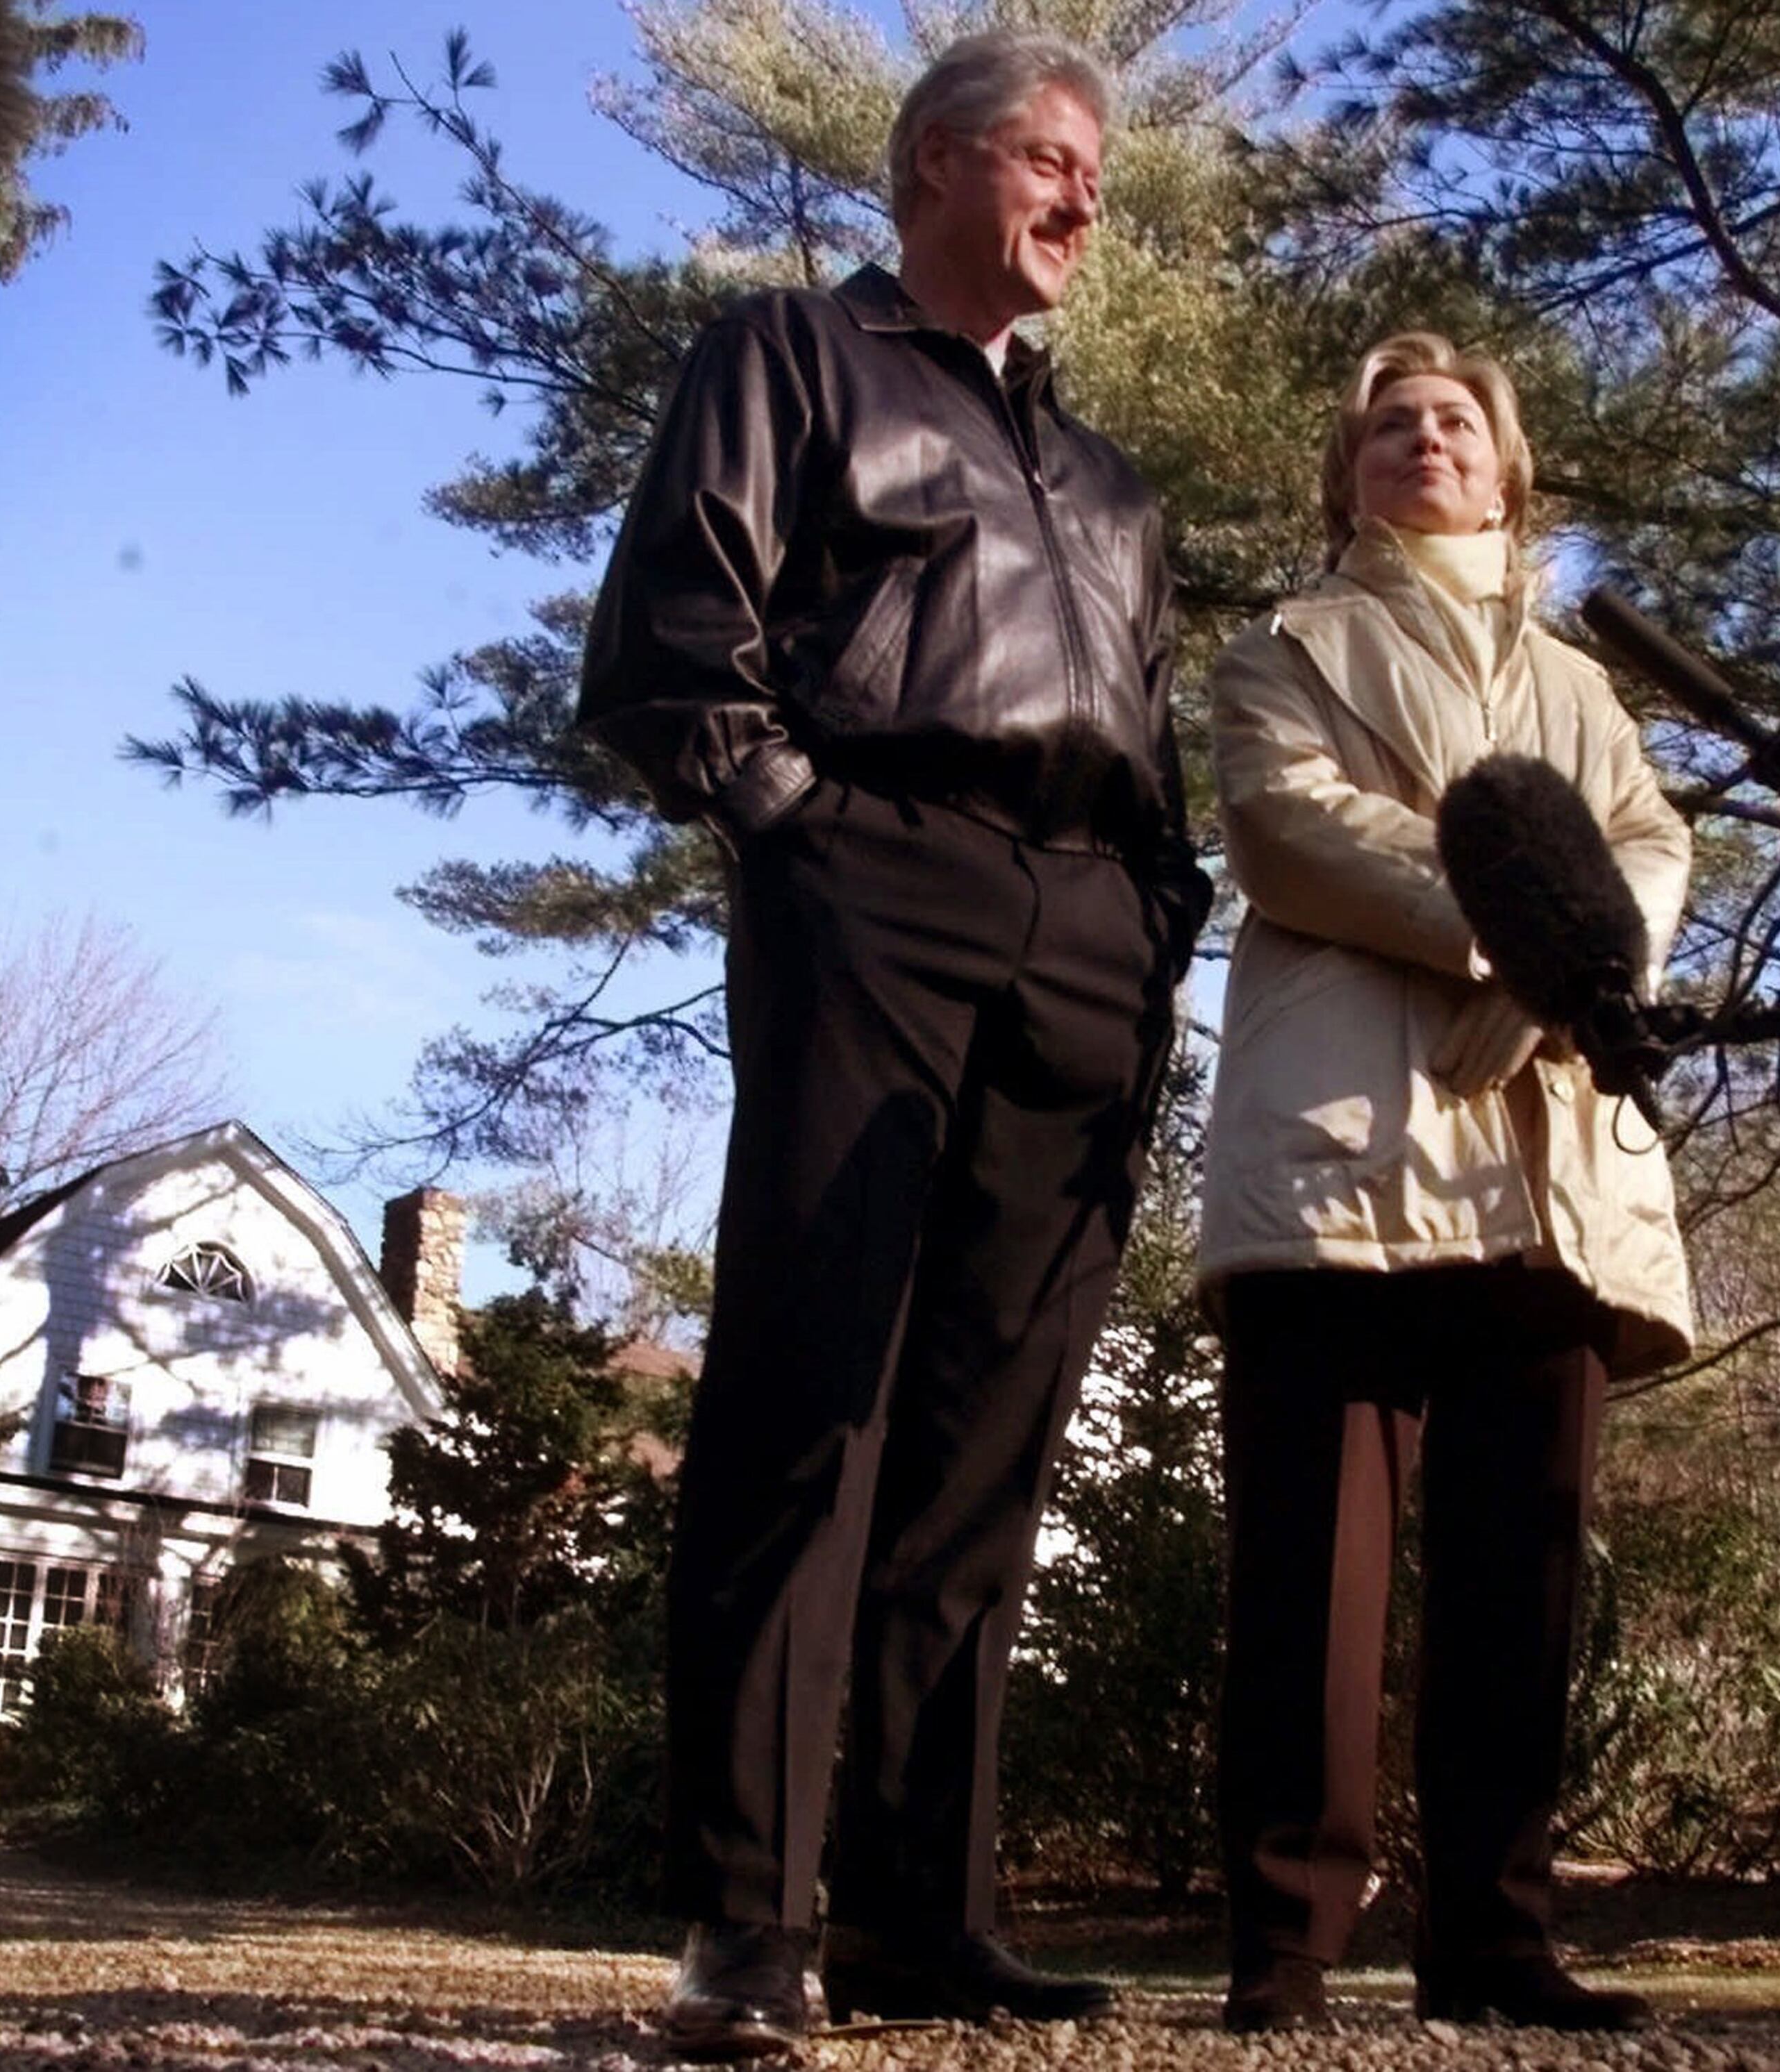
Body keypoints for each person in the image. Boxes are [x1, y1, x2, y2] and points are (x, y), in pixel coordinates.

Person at [576, 28, 1210, 2063]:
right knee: (805, 1396)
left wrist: (1154, 932)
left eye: (1096, 173)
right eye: (1049, 157)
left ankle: (930, 1923)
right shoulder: (792, 357)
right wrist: (807, 839)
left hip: (1089, 941)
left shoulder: (1112, 489)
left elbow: (1164, 755)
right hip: (878, 880)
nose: (1085, 202)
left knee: (989, 1456)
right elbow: (674, 649)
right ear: (934, 164)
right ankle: (745, 1934)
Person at [1197, 333, 1693, 2035]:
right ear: (1348, 475)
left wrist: (1577, 960)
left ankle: (1495, 1940)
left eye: (1456, 421)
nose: (1425, 440)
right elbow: (1283, 822)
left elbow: (1647, 847)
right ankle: (1285, 1944)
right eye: (1391, 423)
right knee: (1308, 1577)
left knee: (1521, 1568)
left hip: (1546, 1160)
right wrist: (1524, 931)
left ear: (1507, 470)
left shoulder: (1582, 685)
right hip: (1337, 1151)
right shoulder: (1283, 647)